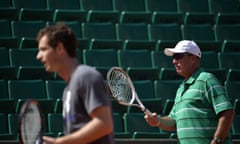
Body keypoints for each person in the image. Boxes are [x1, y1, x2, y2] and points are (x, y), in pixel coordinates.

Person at [36, 22, 114, 144]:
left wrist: (60, 142)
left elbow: (104, 123)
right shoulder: (68, 90)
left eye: (43, 49)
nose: (38, 56)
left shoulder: (86, 76)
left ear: (60, 48)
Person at [144, 40, 235, 144]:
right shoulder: (180, 89)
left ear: (192, 58)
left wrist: (216, 141)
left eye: (178, 56)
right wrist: (157, 121)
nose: (174, 61)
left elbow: (227, 112)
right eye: (173, 57)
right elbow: (174, 122)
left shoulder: (207, 79)